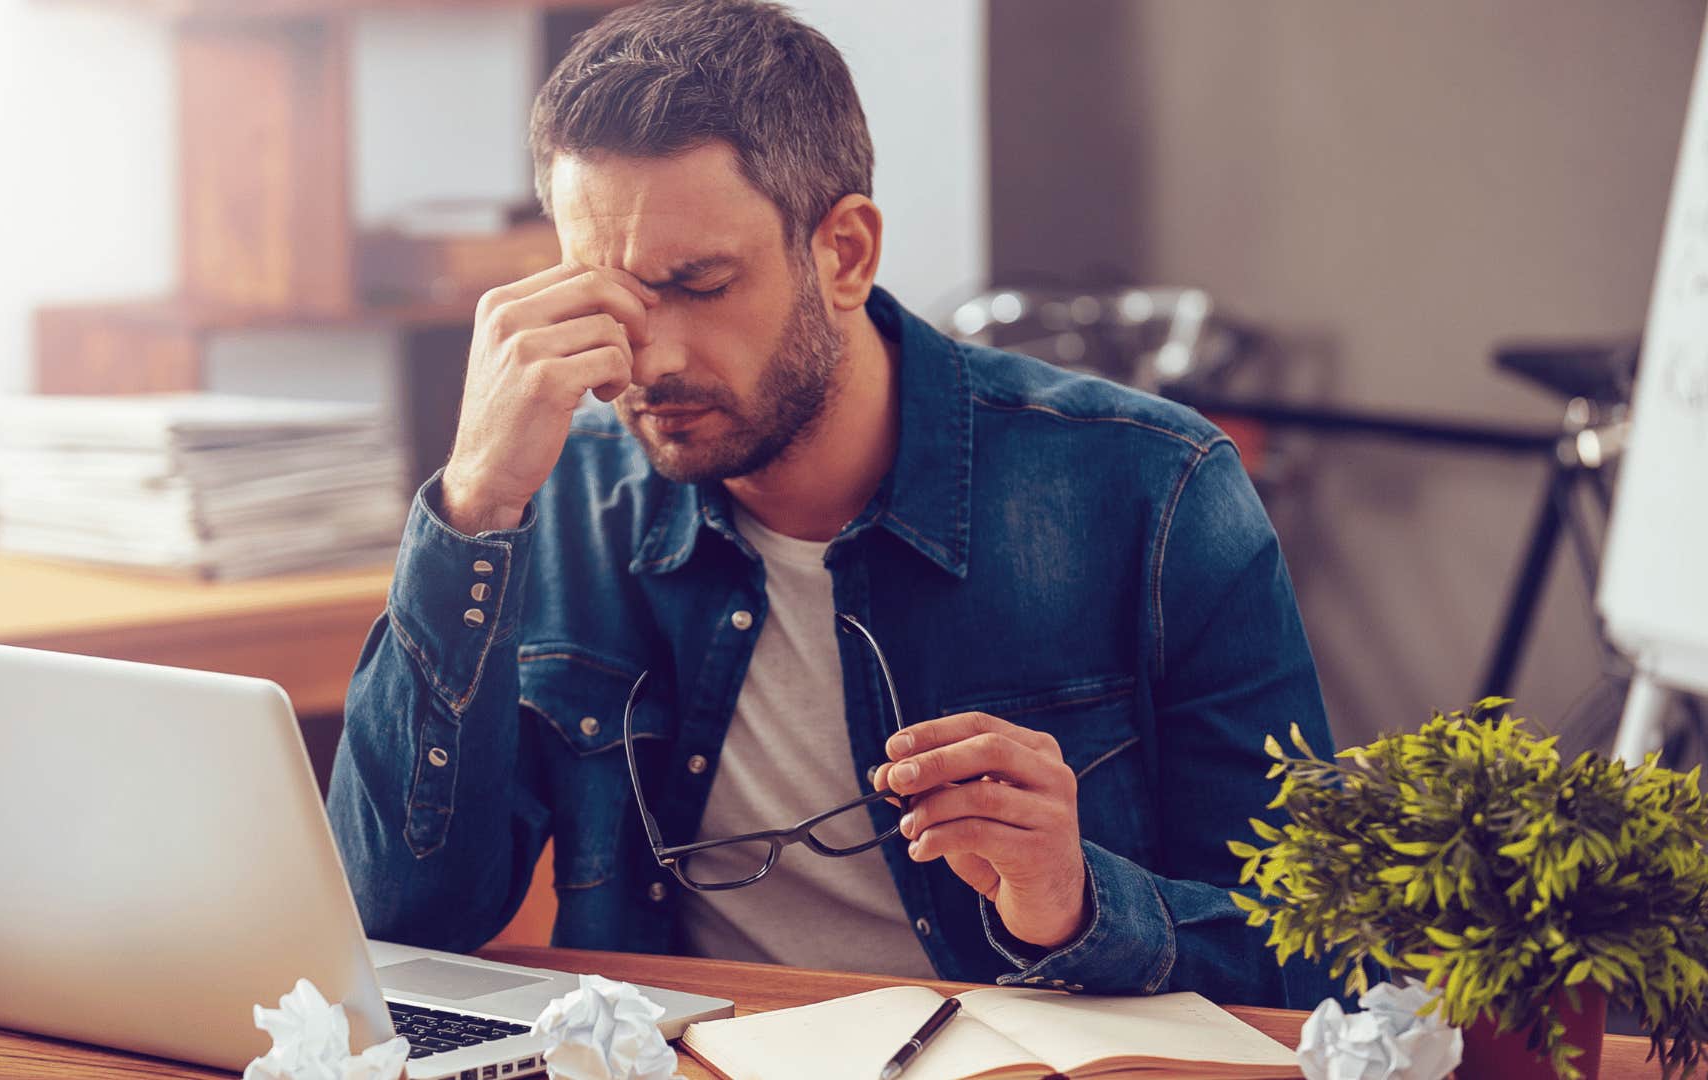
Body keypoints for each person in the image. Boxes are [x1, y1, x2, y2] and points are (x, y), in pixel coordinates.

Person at [327, 0, 1339, 1007]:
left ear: (846, 252)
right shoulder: (559, 491)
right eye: (614, 295)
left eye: (701, 283)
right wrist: (474, 504)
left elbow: (1320, 965)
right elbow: (398, 921)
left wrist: (1076, 905)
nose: (652, 358)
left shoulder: (1154, 489)